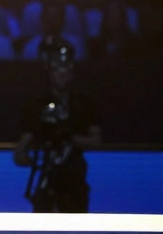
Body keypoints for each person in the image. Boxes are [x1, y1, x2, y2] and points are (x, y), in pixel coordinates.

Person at [13, 41, 101, 213]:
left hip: (75, 182)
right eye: (58, 67)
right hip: (48, 180)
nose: (63, 72)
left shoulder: (83, 104)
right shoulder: (38, 106)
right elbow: (19, 153)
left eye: (67, 67)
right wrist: (35, 160)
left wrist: (69, 138)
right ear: (49, 71)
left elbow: (97, 140)